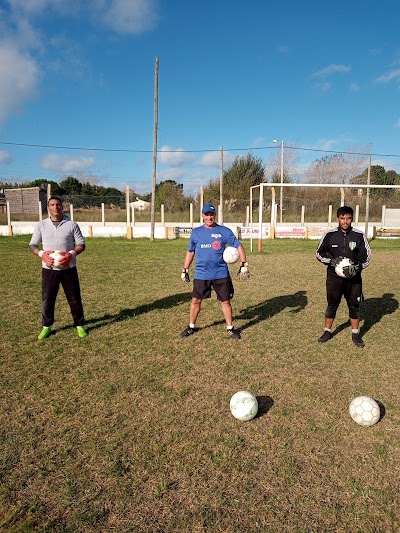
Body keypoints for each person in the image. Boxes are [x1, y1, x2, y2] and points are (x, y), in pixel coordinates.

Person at [180, 203, 250, 340]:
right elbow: (190, 252)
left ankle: (230, 328)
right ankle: (191, 327)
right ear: (202, 216)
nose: (209, 217)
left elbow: (239, 246)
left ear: (215, 215)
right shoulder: (196, 233)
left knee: (226, 302)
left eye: (212, 214)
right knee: (196, 301)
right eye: (207, 214)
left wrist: (244, 264)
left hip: (221, 274)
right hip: (201, 274)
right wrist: (185, 269)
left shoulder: (224, 231)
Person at [29, 196, 87, 340]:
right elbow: (33, 245)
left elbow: (81, 244)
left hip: (68, 269)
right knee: (48, 299)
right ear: (48, 207)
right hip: (49, 270)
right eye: (52, 205)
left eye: (58, 204)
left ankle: (79, 325)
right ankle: (46, 327)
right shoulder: (41, 225)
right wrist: (42, 254)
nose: (55, 207)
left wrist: (71, 254)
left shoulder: (71, 224)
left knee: (74, 298)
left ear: (62, 207)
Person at [315, 205, 371, 348]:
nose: (345, 221)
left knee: (354, 305)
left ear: (352, 219)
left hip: (354, 279)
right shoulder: (330, 235)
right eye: (342, 218)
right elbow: (318, 253)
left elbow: (367, 257)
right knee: (332, 304)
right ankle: (327, 331)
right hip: (334, 278)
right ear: (337, 219)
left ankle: (355, 334)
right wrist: (331, 261)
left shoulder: (359, 235)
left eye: (348, 218)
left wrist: (357, 267)